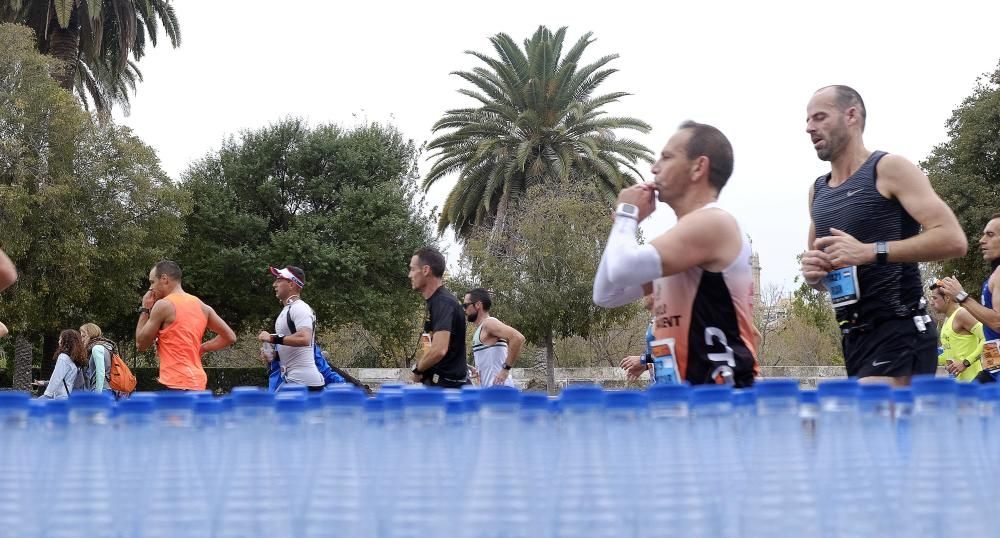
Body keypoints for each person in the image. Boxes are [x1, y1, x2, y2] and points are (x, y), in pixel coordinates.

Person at [800, 85, 967, 386]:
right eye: (808, 119)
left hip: (900, 328)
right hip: (853, 336)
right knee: (878, 431)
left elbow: (953, 239)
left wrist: (869, 251)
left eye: (820, 117)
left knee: (870, 421)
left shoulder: (888, 169)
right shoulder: (818, 191)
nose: (809, 127)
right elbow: (823, 275)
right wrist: (814, 275)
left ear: (851, 115)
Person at [594, 121, 759, 387]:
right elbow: (605, 294)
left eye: (667, 157)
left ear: (698, 167)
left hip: (722, 402)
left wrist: (627, 216)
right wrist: (624, 224)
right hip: (682, 402)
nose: (654, 168)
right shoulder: (679, 246)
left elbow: (621, 268)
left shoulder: (714, 223)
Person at [135, 260, 237, 391]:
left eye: (152, 282)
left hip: (175, 382)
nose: (151, 288)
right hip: (197, 381)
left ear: (164, 279)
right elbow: (230, 337)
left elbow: (141, 344)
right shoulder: (202, 306)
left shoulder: (163, 305)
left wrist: (145, 309)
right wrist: (203, 348)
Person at [937, 214, 1000, 383]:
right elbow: (991, 336)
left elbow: (997, 323)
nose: (982, 240)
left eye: (991, 235)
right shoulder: (995, 275)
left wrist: (961, 297)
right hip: (993, 365)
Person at [408, 247, 469, 388]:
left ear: (425, 270)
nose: (409, 275)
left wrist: (418, 369)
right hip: (437, 386)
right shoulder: (434, 302)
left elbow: (439, 350)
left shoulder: (443, 302)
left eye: (412, 269)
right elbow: (430, 346)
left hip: (448, 390)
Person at [257, 266, 325, 392]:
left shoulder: (299, 308)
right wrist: (275, 356)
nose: (274, 284)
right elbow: (295, 350)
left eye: (278, 280)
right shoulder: (288, 309)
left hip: (304, 383)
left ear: (290, 284)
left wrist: (271, 338)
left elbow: (304, 338)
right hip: (294, 381)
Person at [463, 288, 525, 387]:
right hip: (491, 393)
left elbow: (518, 338)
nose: (464, 309)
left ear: (478, 305)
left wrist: (505, 369)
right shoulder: (482, 327)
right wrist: (476, 369)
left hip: (500, 392)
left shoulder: (489, 323)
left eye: (465, 305)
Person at [928, 281, 984, 382]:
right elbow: (949, 354)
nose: (931, 302)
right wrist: (928, 359)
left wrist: (965, 363)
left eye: (935, 298)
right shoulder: (947, 320)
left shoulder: (962, 314)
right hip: (958, 385)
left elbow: (986, 338)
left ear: (947, 298)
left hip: (973, 383)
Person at [35, 329, 87, 399]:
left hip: (61, 397)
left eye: (60, 339)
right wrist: (44, 383)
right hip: (69, 395)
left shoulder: (63, 358)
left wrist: (47, 395)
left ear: (66, 341)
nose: (58, 341)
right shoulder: (74, 360)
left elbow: (57, 377)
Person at [79, 323, 115, 393]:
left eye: (83, 336)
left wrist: (98, 394)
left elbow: (100, 372)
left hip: (101, 390)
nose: (82, 340)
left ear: (91, 334)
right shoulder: (104, 346)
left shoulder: (97, 348)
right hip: (105, 389)